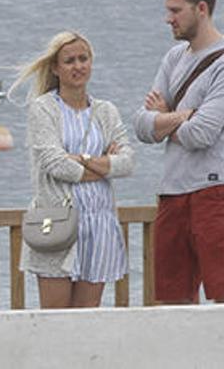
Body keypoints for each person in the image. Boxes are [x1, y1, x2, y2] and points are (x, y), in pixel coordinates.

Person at [11, 31, 134, 308]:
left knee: (87, 321)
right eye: (69, 61)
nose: (78, 66)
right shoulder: (43, 109)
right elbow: (55, 164)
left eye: (83, 58)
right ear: (55, 68)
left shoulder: (106, 111)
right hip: (57, 224)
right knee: (56, 322)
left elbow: (127, 162)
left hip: (100, 223)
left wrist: (81, 158)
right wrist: (103, 164)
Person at [133, 0, 224, 304]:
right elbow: (141, 125)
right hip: (172, 192)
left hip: (214, 192)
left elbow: (202, 133)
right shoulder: (174, 58)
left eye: (175, 11)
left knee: (221, 299)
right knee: (170, 303)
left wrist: (165, 118)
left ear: (201, 9)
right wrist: (182, 115)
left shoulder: (221, 63)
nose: (167, 19)